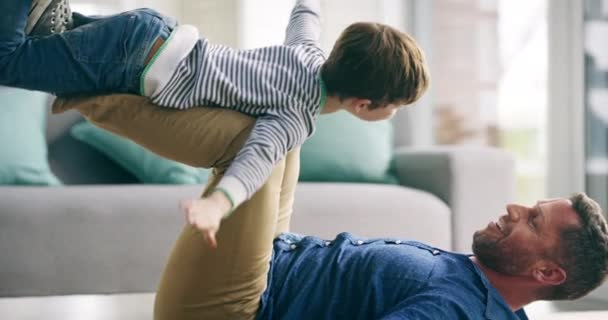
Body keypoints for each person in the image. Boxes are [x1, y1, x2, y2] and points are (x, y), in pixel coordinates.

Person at [0, 0, 430, 246]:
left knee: (44, 41)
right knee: (8, 61)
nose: (393, 114)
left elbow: (305, 17)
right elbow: (256, 158)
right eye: (394, 106)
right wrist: (216, 205)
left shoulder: (308, 53)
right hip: (133, 63)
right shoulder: (296, 115)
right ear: (363, 104)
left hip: (153, 31)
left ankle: (49, 15)